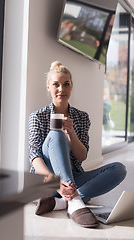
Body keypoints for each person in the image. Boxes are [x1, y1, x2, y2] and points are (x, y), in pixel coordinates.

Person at [28, 61, 126, 228]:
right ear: (48, 87)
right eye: (56, 84)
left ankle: (61, 202)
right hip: (47, 181)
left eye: (66, 84)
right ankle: (74, 201)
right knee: (55, 134)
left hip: (73, 178)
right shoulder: (38, 117)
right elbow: (34, 156)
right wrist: (56, 184)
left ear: (72, 86)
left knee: (119, 169)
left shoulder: (81, 117)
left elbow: (81, 157)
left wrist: (72, 133)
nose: (61, 89)